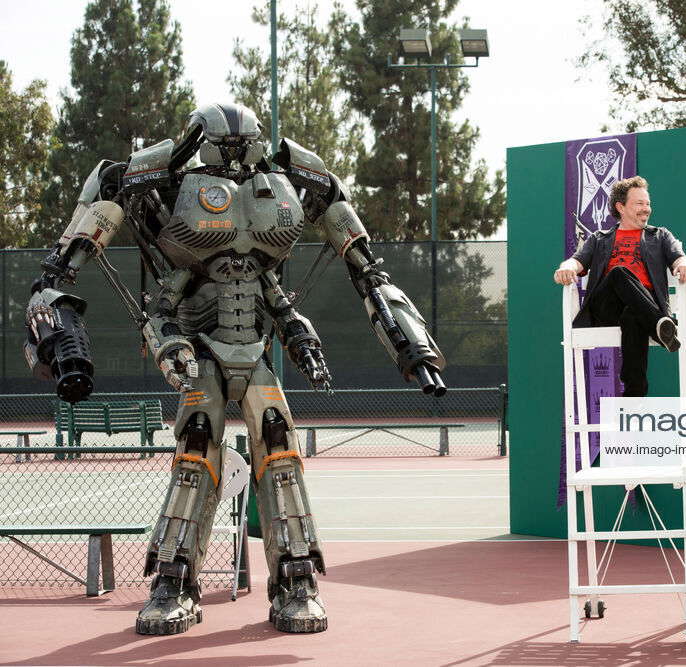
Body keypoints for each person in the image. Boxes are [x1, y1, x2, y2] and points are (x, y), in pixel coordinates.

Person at [23, 102, 446, 635]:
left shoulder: (290, 181)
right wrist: (109, 329)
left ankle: (296, 581)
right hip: (200, 348)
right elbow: (89, 260)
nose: (233, 160)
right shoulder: (163, 182)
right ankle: (174, 581)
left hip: (257, 346)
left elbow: (365, 270)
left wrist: (407, 348)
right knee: (196, 450)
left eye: (242, 149)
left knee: (280, 449)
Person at [554, 176, 686, 396]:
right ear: (620, 207)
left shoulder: (659, 235)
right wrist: (566, 267)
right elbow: (576, 260)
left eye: (647, 203)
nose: (646, 209)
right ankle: (659, 324)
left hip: (641, 305)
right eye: (639, 203)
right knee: (619, 273)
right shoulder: (599, 238)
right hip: (607, 306)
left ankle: (634, 397)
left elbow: (679, 258)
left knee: (633, 315)